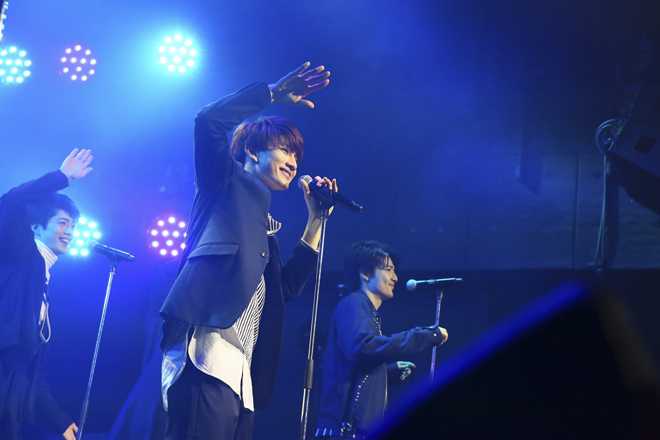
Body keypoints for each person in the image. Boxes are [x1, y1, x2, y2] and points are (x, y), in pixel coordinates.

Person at [159, 62, 335, 440]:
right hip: (205, 355)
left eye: (297, 157)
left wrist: (316, 220)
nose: (293, 163)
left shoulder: (264, 231)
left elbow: (285, 289)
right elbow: (208, 121)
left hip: (241, 374)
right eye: (285, 150)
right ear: (253, 152)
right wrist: (272, 93)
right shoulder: (223, 182)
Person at [0, 149, 94, 440]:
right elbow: (11, 202)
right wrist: (62, 176)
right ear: (36, 228)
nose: (70, 232)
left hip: (12, 401)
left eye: (73, 226)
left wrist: (59, 420)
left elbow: (34, 370)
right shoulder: (20, 254)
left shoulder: (43, 282)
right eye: (63, 223)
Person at [315, 241, 449, 439]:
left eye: (394, 270)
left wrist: (387, 373)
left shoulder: (363, 309)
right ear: (365, 274)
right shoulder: (355, 303)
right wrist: (424, 336)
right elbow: (364, 347)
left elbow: (354, 364)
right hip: (344, 430)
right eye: (388, 269)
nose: (395, 277)